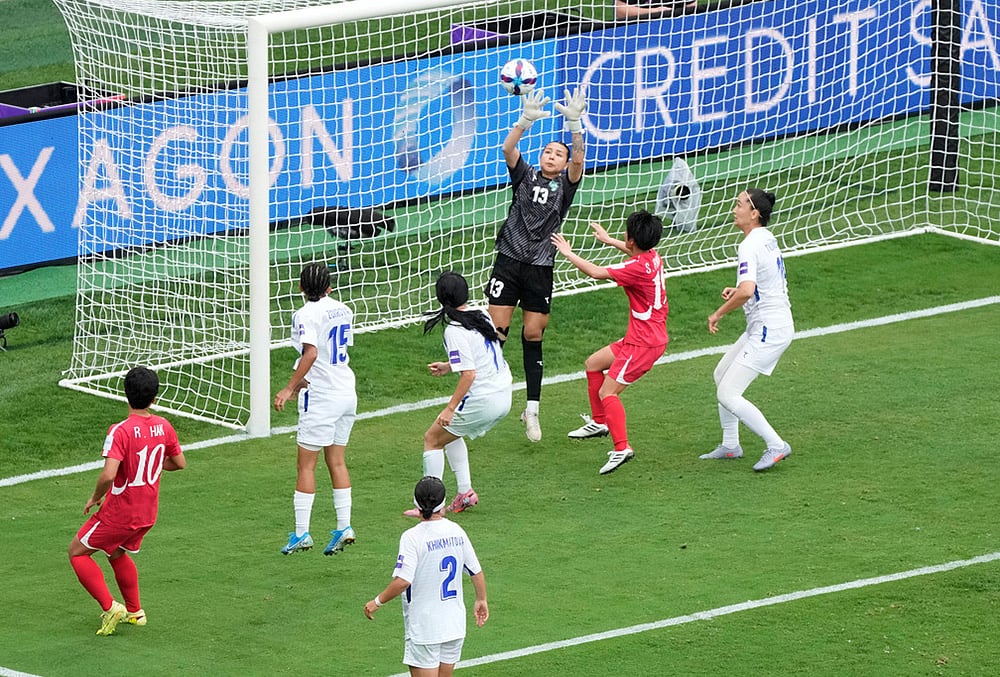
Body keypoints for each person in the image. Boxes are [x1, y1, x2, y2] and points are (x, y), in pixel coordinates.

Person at [486, 86, 587, 443]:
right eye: (548, 151)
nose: (552, 156)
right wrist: (525, 120)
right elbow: (508, 149)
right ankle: (486, 395)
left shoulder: (567, 185)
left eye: (557, 154)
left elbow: (579, 161)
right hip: (509, 262)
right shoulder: (525, 176)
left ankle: (532, 409)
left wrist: (574, 125)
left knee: (533, 333)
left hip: (540, 267)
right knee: (495, 336)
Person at [68, 366, 186, 636]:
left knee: (77, 552)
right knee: (116, 551)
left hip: (119, 512)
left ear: (125, 394)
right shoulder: (164, 426)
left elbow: (109, 474)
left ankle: (111, 607)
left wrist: (94, 498)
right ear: (154, 398)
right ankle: (135, 612)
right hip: (146, 514)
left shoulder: (120, 431)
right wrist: (154, 465)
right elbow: (179, 463)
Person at [551, 210, 669, 475]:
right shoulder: (652, 257)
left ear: (631, 238)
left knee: (608, 392)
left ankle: (622, 448)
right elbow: (633, 254)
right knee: (593, 364)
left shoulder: (636, 267)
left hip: (643, 344)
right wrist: (608, 240)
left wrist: (568, 253)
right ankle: (599, 422)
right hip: (642, 336)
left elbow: (595, 272)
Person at [701, 188, 794, 472]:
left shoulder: (749, 244)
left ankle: (776, 445)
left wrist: (718, 312)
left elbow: (748, 289)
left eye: (739, 204)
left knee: (728, 393)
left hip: (769, 329)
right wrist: (741, 291)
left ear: (755, 214)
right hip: (769, 323)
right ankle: (731, 445)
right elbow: (758, 283)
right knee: (721, 375)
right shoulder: (764, 239)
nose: (734, 209)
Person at [406, 272, 512, 516]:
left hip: (483, 398)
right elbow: (479, 355)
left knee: (432, 439)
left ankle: (431, 507)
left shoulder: (453, 330)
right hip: (504, 393)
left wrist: (450, 407)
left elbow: (470, 375)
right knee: (451, 435)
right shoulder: (480, 314)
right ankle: (465, 492)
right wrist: (448, 365)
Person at [365, 476, 488, 677]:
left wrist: (377, 602)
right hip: (454, 625)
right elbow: (476, 571)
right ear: (443, 502)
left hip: (425, 628)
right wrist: (481, 599)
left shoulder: (412, 537)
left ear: (416, 502)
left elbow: (403, 580)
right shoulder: (456, 531)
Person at [274, 262, 357, 555]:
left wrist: (289, 387)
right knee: (337, 461)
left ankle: (301, 533)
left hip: (322, 397)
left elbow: (311, 352)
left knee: (306, 465)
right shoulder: (343, 309)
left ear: (300, 287)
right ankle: (344, 526)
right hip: (346, 390)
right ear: (329, 287)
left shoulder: (304, 314)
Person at [615, 0, 697, 20]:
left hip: (675, 29)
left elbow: (691, 8)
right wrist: (656, 12)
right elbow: (620, 10)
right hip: (637, 29)